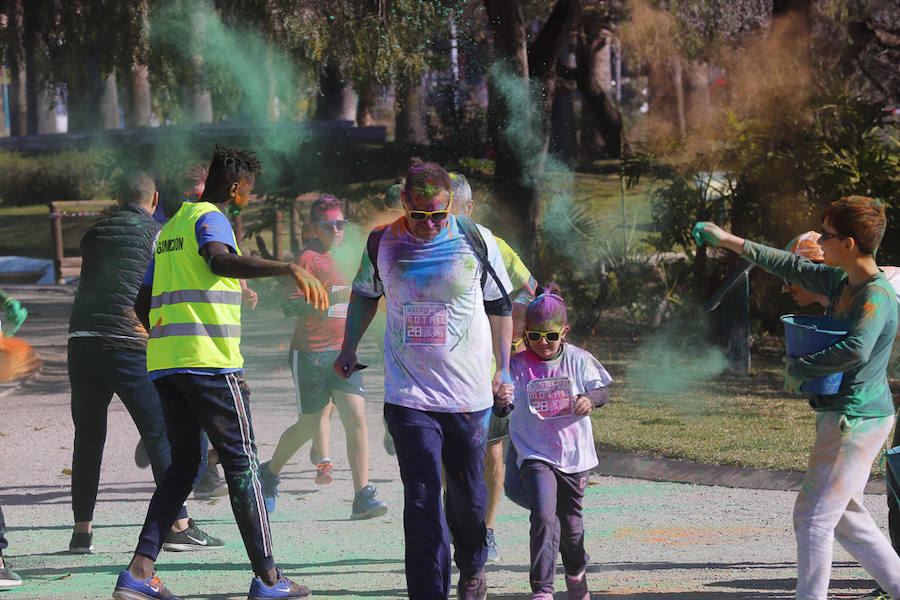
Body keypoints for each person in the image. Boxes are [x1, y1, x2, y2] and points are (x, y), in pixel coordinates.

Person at [112, 145, 328, 600]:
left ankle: (138, 572)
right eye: (249, 188)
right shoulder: (211, 217)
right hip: (209, 364)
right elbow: (218, 260)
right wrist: (287, 267)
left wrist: (168, 340)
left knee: (184, 465)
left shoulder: (169, 227)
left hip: (167, 365)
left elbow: (139, 299)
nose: (251, 196)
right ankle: (270, 579)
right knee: (243, 464)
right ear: (234, 186)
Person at [693, 195, 900, 600]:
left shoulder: (875, 295)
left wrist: (800, 368)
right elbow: (788, 264)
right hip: (845, 415)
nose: (821, 239)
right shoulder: (842, 281)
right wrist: (725, 238)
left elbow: (857, 348)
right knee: (846, 519)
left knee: (813, 519)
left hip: (857, 420)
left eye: (828, 234)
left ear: (850, 244)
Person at [335, 162, 514, 600]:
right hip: (408, 396)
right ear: (404, 204)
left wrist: (504, 367)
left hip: (469, 399)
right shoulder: (382, 241)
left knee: (469, 500)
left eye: (438, 214)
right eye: (420, 215)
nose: (431, 224)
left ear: (451, 205)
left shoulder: (475, 239)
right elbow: (364, 294)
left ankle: (472, 566)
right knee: (421, 499)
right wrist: (347, 348)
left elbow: (501, 305)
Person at [67, 171, 224, 556]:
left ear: (119, 198)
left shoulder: (94, 234)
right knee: (160, 436)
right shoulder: (159, 233)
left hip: (82, 342)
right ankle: (179, 524)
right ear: (155, 198)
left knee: (88, 438)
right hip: (129, 342)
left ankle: (81, 533)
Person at [259, 195, 388, 519]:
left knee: (356, 417)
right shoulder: (308, 259)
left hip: (345, 350)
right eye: (328, 224)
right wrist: (326, 299)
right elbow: (288, 306)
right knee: (309, 426)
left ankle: (362, 496)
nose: (336, 230)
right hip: (310, 354)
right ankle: (270, 473)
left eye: (340, 224)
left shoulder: (353, 257)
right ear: (314, 228)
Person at [494, 292, 610, 600]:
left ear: (565, 332)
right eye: (534, 336)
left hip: (574, 456)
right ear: (524, 333)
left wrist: (589, 400)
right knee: (544, 516)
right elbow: (502, 409)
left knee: (571, 529)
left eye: (551, 336)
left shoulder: (578, 359)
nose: (542, 343)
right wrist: (501, 401)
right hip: (535, 454)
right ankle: (543, 589)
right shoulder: (516, 366)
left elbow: (603, 390)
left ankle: (575, 574)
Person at [449, 171, 537, 562]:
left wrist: (516, 321)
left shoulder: (491, 244)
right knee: (446, 459)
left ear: (468, 208)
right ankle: (450, 525)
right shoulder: (421, 244)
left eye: (449, 208)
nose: (440, 217)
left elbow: (530, 287)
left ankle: (486, 530)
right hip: (444, 374)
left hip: (488, 374)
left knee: (493, 456)